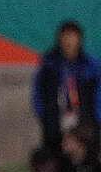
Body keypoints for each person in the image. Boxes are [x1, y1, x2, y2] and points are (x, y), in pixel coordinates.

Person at [33, 21, 101, 153]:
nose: (69, 42)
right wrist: (46, 118)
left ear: (80, 40)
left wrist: (96, 119)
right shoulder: (49, 66)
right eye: (66, 37)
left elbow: (99, 94)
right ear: (60, 39)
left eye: (73, 37)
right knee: (56, 159)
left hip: (85, 124)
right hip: (55, 125)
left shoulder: (91, 66)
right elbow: (38, 94)